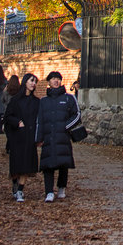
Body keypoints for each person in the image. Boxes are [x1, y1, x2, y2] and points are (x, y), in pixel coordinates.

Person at [36, 69, 82, 203]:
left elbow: (77, 114)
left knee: (63, 163)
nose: (56, 81)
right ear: (49, 82)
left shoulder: (69, 98)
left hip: (63, 137)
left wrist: (66, 127)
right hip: (48, 136)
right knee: (47, 165)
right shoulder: (43, 101)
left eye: (58, 79)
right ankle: (49, 191)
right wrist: (38, 138)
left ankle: (61, 187)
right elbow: (40, 120)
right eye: (53, 79)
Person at [3, 72, 40, 201]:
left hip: (30, 137)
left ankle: (20, 190)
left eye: (35, 82)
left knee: (26, 165)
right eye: (31, 81)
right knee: (16, 165)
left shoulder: (36, 102)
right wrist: (17, 122)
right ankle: (15, 183)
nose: (33, 84)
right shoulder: (15, 100)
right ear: (25, 82)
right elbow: (8, 117)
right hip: (17, 137)